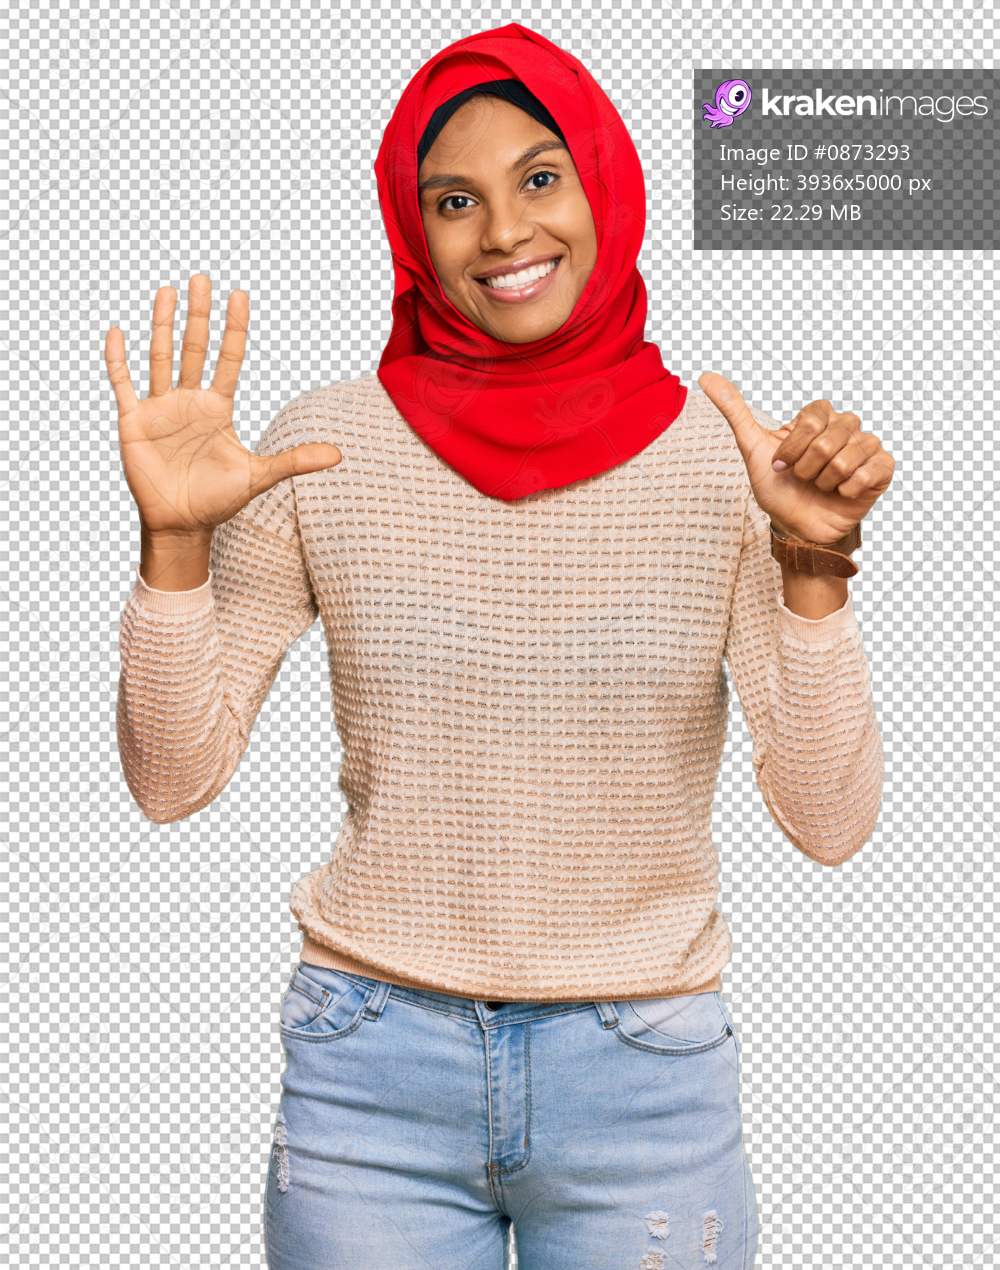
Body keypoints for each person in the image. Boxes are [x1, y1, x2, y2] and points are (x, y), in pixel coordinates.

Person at [105, 23, 892, 1270]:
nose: (504, 233)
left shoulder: (725, 460)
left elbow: (829, 818)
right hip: (372, 1069)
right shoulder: (322, 446)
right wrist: (174, 548)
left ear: (605, 183)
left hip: (645, 1079)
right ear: (414, 234)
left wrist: (810, 566)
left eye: (540, 177)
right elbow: (171, 778)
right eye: (454, 201)